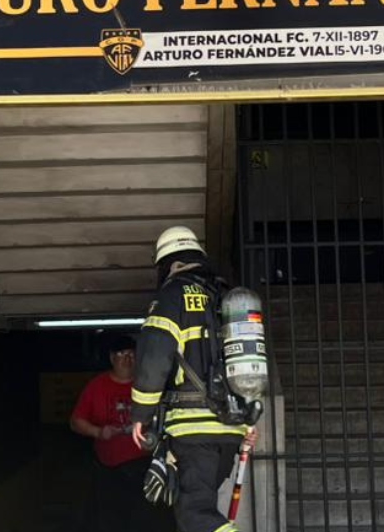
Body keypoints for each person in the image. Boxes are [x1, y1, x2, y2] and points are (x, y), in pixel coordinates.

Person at [130, 226, 257, 532]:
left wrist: (141, 414)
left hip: (193, 429)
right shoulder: (227, 296)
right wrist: (251, 421)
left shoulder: (172, 296)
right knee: (201, 511)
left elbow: (154, 355)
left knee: (194, 514)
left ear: (168, 263)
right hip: (233, 428)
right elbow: (250, 362)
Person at [70, 334, 173, 532]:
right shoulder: (97, 386)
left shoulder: (148, 384)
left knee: (147, 520)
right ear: (112, 358)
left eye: (132, 354)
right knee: (111, 521)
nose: (128, 359)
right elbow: (76, 422)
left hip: (146, 468)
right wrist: (99, 432)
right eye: (122, 354)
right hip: (109, 471)